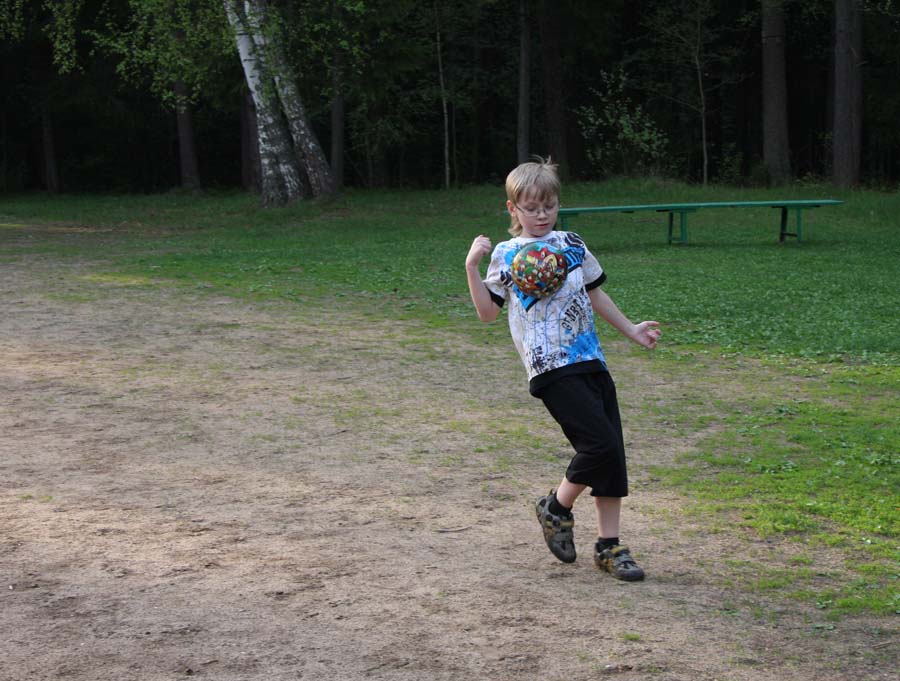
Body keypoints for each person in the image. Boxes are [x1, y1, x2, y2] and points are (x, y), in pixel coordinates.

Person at [464, 158, 661, 581]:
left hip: (590, 360)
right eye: (531, 208)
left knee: (612, 454)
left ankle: (609, 546)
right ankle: (556, 506)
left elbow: (594, 294)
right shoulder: (506, 254)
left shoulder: (571, 243)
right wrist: (471, 268)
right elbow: (487, 314)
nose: (541, 215)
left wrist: (631, 330)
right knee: (599, 444)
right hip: (549, 365)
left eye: (549, 206)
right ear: (513, 209)